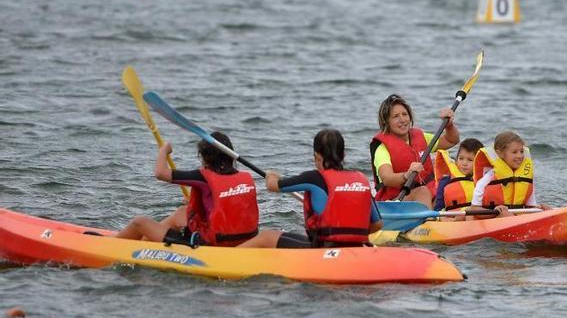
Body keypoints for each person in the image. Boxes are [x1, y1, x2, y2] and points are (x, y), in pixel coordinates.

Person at [239, 129, 382, 249]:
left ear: (317, 157)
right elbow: (377, 224)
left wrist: (270, 176)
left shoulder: (314, 178)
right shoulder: (361, 179)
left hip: (324, 249)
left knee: (266, 237)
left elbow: (273, 186)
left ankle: (226, 259)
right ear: (343, 155)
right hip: (356, 247)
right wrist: (351, 236)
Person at [116, 132, 259, 247]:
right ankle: (148, 241)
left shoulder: (203, 177)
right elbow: (224, 207)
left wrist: (164, 150)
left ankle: (112, 246)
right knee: (182, 212)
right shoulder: (244, 177)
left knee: (139, 222)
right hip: (246, 240)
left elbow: (160, 173)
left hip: (211, 244)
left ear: (204, 157)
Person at [370, 94, 460, 208]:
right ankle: (429, 221)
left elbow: (451, 140)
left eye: (404, 114)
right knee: (422, 191)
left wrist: (449, 125)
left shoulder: (420, 137)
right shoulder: (382, 148)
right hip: (396, 200)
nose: (402, 119)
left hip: (428, 194)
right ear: (386, 122)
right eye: (395, 116)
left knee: (451, 185)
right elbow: (387, 178)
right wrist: (406, 175)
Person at [469, 131, 550, 218]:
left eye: (521, 151)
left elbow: (530, 207)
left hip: (516, 219)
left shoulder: (526, 179)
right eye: (514, 152)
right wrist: (496, 211)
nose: (520, 156)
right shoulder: (488, 178)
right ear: (500, 153)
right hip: (492, 219)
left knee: (546, 211)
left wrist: (540, 209)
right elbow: (474, 209)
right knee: (504, 214)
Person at [433, 138, 484, 211]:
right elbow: (439, 207)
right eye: (461, 158)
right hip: (452, 216)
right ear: (456, 159)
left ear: (479, 162)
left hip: (474, 215)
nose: (464, 163)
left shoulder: (484, 180)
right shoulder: (446, 181)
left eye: (470, 160)